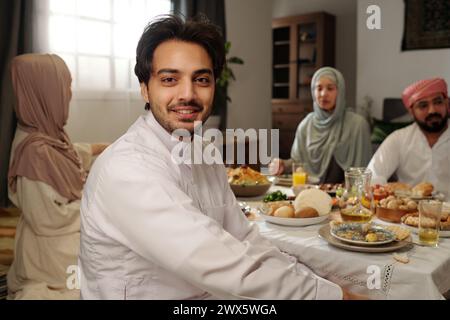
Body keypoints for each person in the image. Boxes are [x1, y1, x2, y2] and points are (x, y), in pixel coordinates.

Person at [78, 15, 354, 300]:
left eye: (201, 79)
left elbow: (244, 239)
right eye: (170, 79)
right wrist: (333, 297)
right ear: (145, 88)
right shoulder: (127, 168)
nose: (188, 94)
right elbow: (228, 265)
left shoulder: (205, 153)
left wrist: (321, 284)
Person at [7, 54, 107, 299]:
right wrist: (97, 207)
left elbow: (62, 155)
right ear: (45, 91)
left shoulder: (43, 131)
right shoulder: (34, 152)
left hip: (58, 237)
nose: (69, 94)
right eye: (65, 86)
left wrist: (96, 148)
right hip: (52, 251)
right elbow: (48, 219)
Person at [269, 67, 372, 183]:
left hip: (347, 196)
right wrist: (283, 164)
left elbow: (365, 172)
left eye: (330, 88)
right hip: (310, 192)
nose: (323, 94)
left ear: (340, 91)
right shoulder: (306, 125)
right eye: (319, 88)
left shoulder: (357, 125)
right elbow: (298, 162)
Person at [368, 78, 450, 200]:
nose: (432, 110)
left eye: (438, 102)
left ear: (447, 103)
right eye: (423, 105)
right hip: (406, 213)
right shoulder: (399, 139)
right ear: (411, 111)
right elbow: (372, 176)